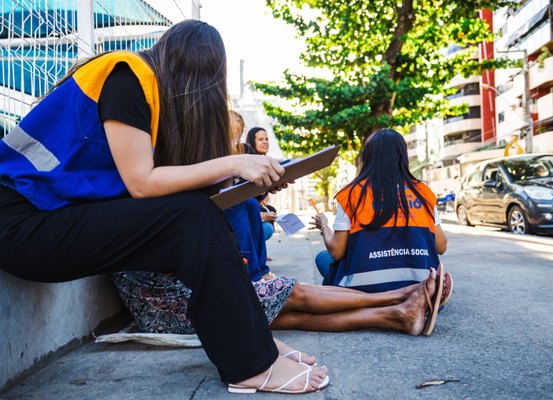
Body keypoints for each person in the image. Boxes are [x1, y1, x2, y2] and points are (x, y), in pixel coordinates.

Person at [0, 20, 328, 394]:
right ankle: (250, 364)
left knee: (197, 214)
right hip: (19, 225)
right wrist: (236, 163)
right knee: (191, 217)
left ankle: (256, 347)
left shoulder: (148, 101)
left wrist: (248, 181)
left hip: (47, 220)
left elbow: (161, 191)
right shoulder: (127, 73)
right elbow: (142, 183)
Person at [112, 264, 446, 338]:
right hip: (178, 305)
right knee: (290, 291)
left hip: (175, 300)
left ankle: (398, 313)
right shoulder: (140, 191)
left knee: (291, 314)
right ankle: (400, 298)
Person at [311, 128, 448, 295]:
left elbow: (337, 251)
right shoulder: (423, 192)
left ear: (368, 156)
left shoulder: (351, 194)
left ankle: (344, 301)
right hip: (421, 290)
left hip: (364, 293)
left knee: (323, 258)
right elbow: (441, 247)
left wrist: (324, 226)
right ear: (403, 156)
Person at [226, 111, 275, 281]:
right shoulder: (214, 149)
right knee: (238, 204)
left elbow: (255, 193)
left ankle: (261, 269)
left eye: (236, 136)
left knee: (251, 204)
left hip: (243, 198)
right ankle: (254, 275)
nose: (233, 141)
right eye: (230, 136)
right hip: (222, 199)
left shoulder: (243, 151)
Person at [246, 126, 277, 256]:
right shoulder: (248, 165)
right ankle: (252, 254)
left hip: (254, 212)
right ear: (252, 142)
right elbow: (245, 205)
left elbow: (262, 203)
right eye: (260, 139)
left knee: (271, 210)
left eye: (266, 139)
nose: (265, 142)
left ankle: (260, 251)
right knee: (267, 228)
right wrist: (263, 217)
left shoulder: (267, 164)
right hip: (245, 215)